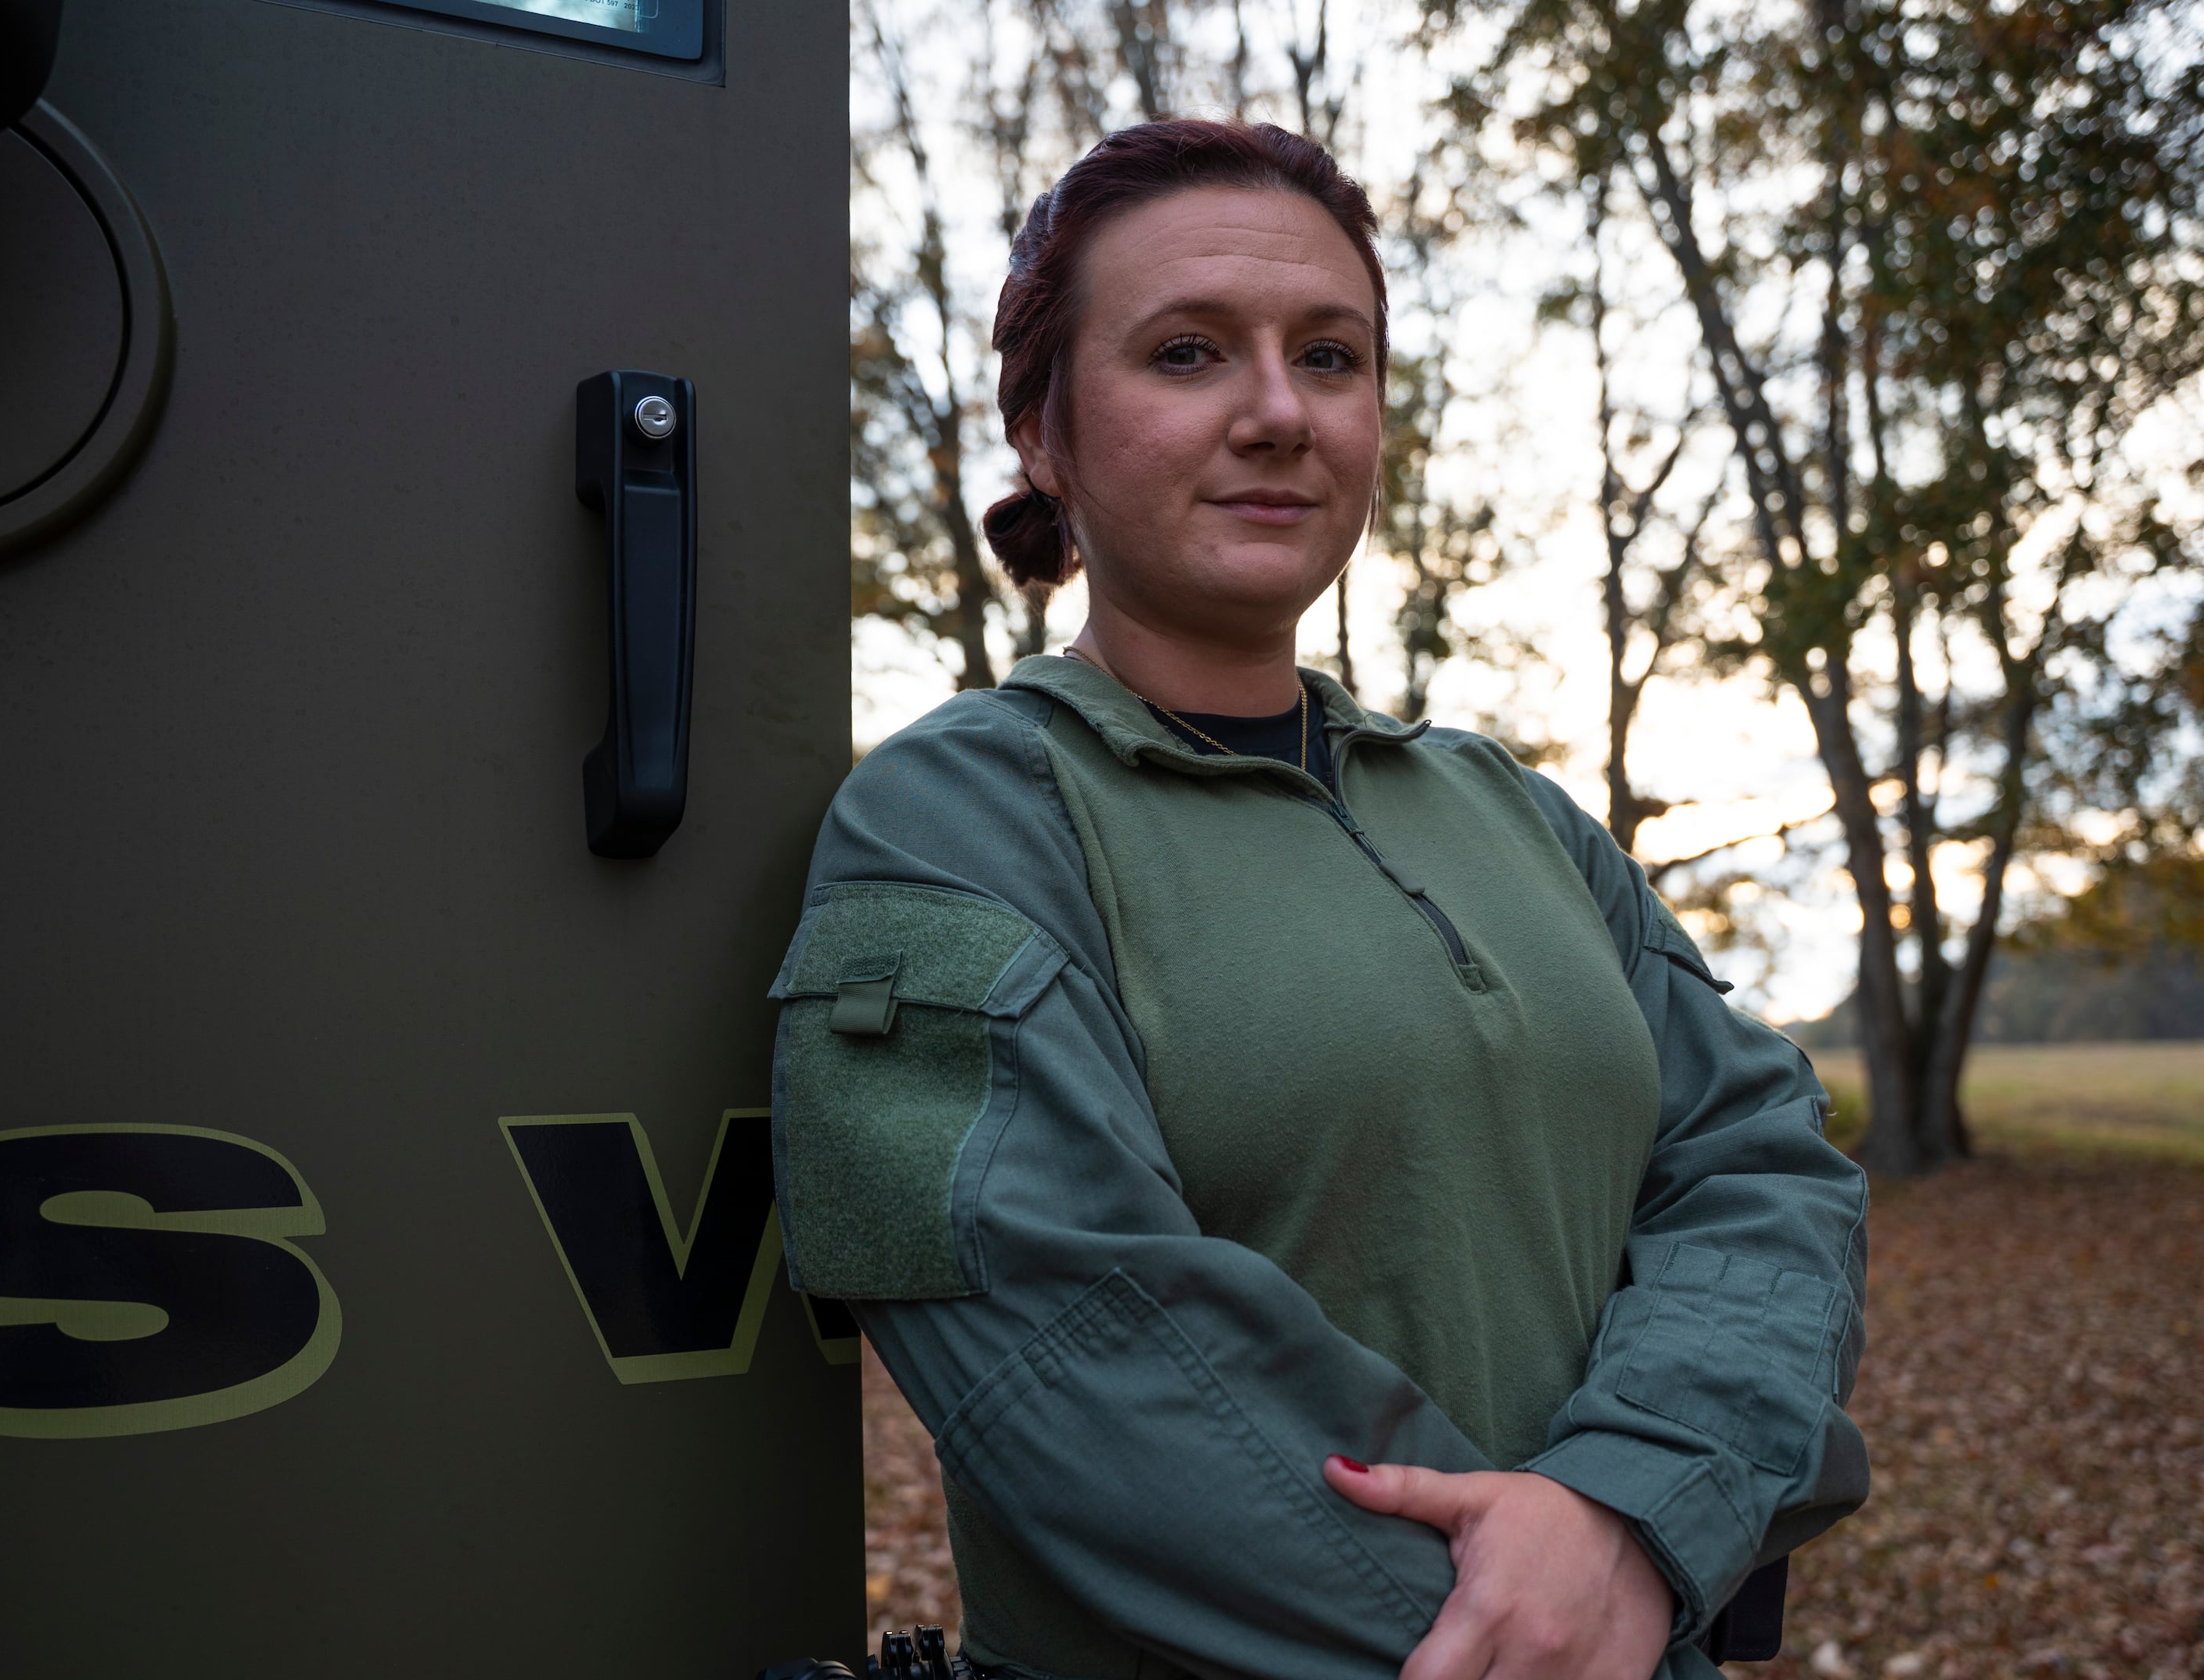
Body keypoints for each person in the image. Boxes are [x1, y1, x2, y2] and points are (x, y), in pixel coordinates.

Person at [770, 119, 1867, 1680]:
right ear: (1043, 431)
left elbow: (1766, 1172)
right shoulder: (950, 824)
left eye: (1331, 357)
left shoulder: (1512, 815)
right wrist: (1536, 1630)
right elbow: (1079, 1370)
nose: (1279, 413)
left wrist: (1629, 1518)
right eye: (1189, 352)